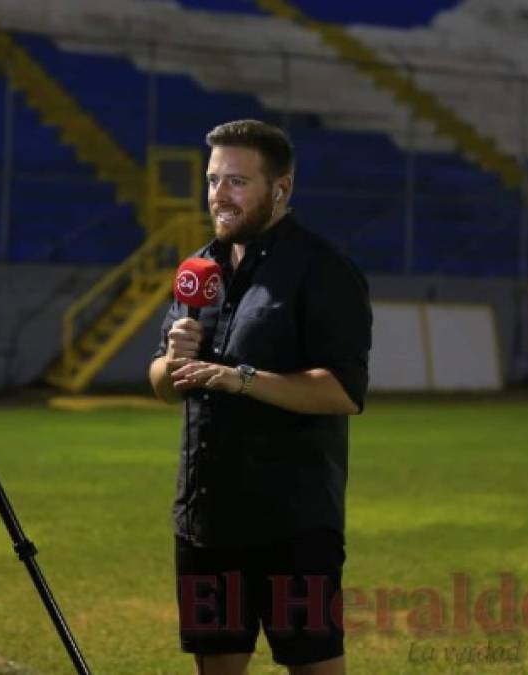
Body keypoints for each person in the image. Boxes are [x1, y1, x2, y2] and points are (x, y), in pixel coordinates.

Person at [149, 119, 371, 675]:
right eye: (213, 180)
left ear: (282, 189)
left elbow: (343, 391)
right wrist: (174, 360)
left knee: (314, 665)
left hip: (293, 524)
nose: (219, 195)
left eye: (237, 182)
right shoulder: (199, 269)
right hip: (206, 521)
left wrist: (239, 378)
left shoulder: (323, 270)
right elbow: (160, 385)